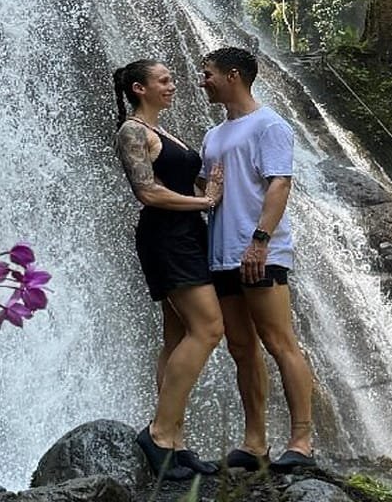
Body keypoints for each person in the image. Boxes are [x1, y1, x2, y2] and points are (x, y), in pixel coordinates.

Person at [197, 46, 316, 472]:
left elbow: (279, 184)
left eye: (207, 72)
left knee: (280, 342)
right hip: (221, 255)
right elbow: (205, 194)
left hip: (260, 252)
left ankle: (301, 440)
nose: (202, 79)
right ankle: (255, 443)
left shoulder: (270, 125)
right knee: (241, 347)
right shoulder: (213, 135)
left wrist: (260, 241)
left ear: (233, 76)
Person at [112, 59, 226, 480]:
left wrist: (210, 190)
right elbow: (148, 192)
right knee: (209, 328)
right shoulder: (132, 131)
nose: (173, 85)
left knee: (176, 334)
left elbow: (182, 182)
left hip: (186, 233)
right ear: (140, 88)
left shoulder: (163, 132)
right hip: (166, 236)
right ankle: (158, 434)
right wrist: (204, 202)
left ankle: (175, 441)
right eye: (164, 80)